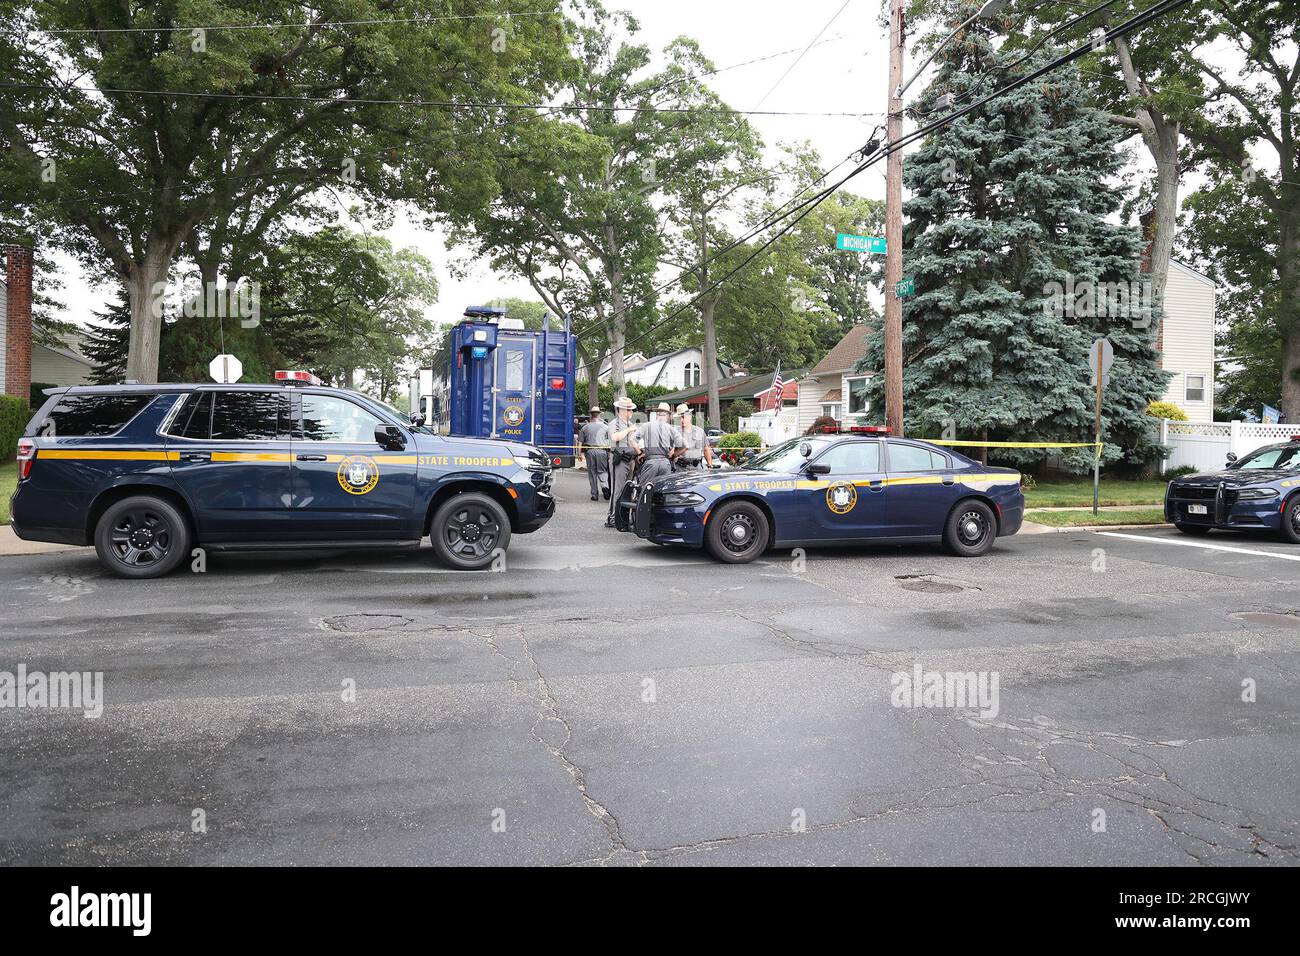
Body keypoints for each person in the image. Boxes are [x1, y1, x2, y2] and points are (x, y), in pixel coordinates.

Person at [634, 401, 685, 485]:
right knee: (663, 491)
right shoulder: (671, 429)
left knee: (644, 489)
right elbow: (684, 446)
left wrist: (639, 453)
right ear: (668, 416)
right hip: (665, 463)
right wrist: (673, 455)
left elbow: (632, 440)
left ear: (657, 414)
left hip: (651, 463)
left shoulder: (646, 426)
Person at [606, 396, 641, 509]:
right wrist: (629, 430)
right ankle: (612, 517)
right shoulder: (615, 423)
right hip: (619, 460)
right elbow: (615, 437)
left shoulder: (630, 424)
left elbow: (632, 442)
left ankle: (622, 518)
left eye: (631, 409)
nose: (632, 412)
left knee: (628, 490)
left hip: (630, 460)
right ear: (622, 410)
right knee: (617, 490)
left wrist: (640, 452)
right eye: (629, 409)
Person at [577, 407, 609, 501]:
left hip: (590, 451)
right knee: (602, 470)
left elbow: (580, 442)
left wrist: (579, 454)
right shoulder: (606, 427)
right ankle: (605, 486)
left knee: (592, 473)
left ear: (591, 414)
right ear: (599, 414)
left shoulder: (585, 427)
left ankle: (594, 494)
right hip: (602, 451)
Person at [675, 403, 714, 470]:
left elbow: (706, 449)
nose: (681, 420)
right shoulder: (675, 433)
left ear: (689, 416)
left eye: (683, 417)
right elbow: (671, 452)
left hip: (697, 468)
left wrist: (710, 466)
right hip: (681, 469)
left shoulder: (700, 431)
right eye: (679, 418)